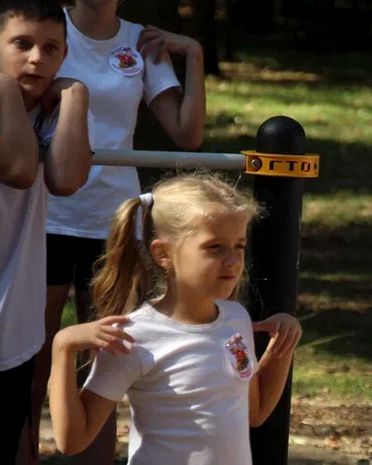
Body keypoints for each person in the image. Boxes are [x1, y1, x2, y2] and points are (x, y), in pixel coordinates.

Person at [24, 0, 207, 461]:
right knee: (32, 358)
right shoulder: (48, 29)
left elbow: (187, 135)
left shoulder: (140, 41)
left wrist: (196, 55)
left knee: (105, 362)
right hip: (46, 215)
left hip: (115, 222)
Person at [48, 174, 301, 465]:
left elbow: (254, 413)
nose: (233, 260)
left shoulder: (236, 319)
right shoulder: (133, 337)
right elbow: (73, 440)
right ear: (163, 253)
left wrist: (284, 344)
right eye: (215, 247)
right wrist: (62, 348)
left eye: (239, 245)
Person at [0, 0, 91, 462]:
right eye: (22, 45)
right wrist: (5, 91)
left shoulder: (52, 113)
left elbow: (66, 180)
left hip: (11, 329)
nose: (37, 59)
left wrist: (76, 97)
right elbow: (17, 168)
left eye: (51, 49)